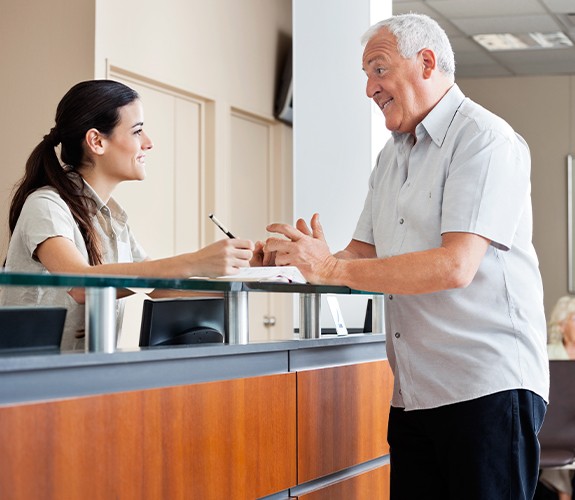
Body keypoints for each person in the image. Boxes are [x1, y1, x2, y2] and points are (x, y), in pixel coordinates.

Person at [264, 13, 549, 500]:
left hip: (486, 387)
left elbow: (455, 265)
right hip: (415, 393)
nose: (368, 89)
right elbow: (360, 255)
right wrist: (298, 260)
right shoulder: (392, 155)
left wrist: (332, 267)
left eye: (378, 69)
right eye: (366, 75)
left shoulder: (484, 139)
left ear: (427, 62)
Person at [1, 80, 254, 351]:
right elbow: (81, 285)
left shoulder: (113, 219)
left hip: (82, 372)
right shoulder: (46, 205)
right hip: (29, 380)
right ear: (96, 141)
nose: (149, 143)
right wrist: (194, 262)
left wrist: (249, 272)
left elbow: (159, 287)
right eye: (137, 131)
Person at [539, 295, 575, 499]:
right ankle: (564, 494)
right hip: (554, 425)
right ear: (561, 326)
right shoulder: (546, 355)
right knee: (558, 434)